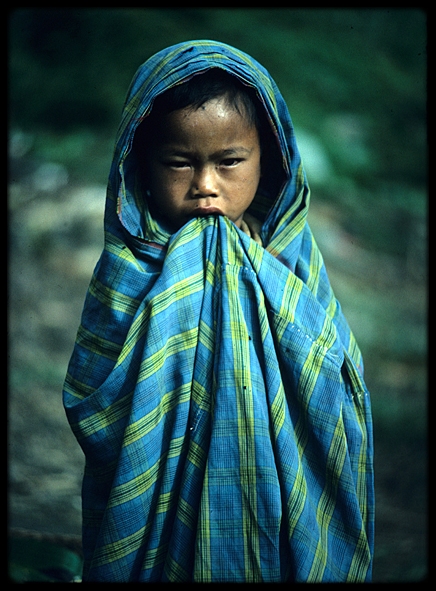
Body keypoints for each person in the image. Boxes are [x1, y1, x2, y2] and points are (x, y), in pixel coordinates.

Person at [63, 40, 374, 583]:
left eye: (230, 162)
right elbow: (98, 385)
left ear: (269, 158)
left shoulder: (287, 256)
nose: (206, 186)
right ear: (139, 162)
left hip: (274, 509)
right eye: (179, 162)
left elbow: (333, 376)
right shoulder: (129, 264)